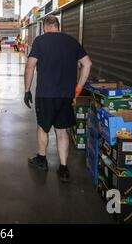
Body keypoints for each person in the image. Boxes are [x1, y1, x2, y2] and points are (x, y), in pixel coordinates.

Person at [23, 15, 92, 183]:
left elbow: (30, 66)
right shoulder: (71, 41)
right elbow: (88, 64)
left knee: (43, 127)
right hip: (66, 95)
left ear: (46, 26)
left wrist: (26, 90)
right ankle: (63, 168)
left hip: (45, 95)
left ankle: (42, 160)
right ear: (58, 26)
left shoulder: (40, 41)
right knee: (62, 132)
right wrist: (78, 88)